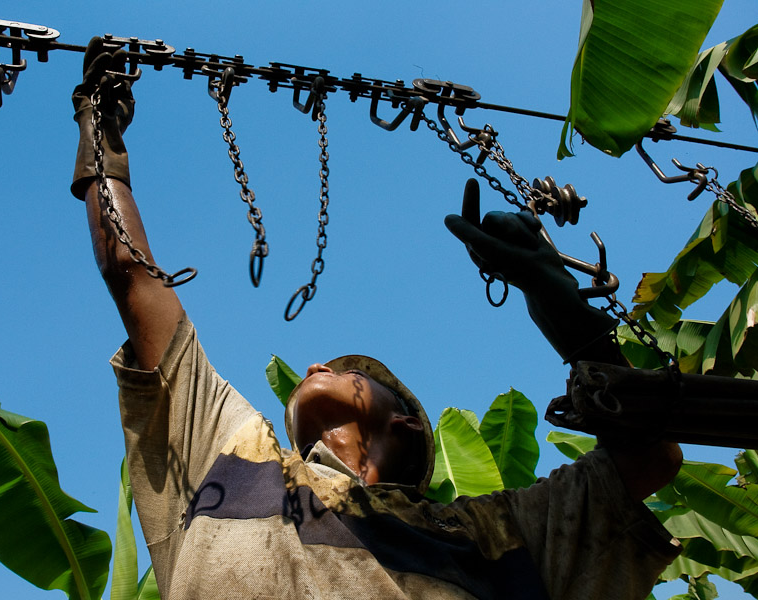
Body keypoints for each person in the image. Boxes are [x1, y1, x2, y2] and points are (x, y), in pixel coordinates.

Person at [72, 39, 683, 599]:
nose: (317, 365)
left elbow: (646, 457)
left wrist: (557, 299)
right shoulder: (234, 454)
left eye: (349, 373)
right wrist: (99, 132)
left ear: (408, 424)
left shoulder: (493, 532)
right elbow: (133, 277)